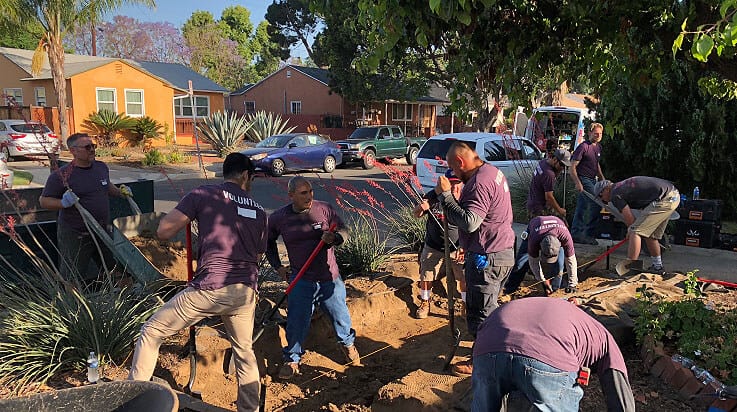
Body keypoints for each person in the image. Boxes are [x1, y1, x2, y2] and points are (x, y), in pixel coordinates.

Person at [127, 153, 266, 412]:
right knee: (244, 351)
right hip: (245, 291)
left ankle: (136, 401)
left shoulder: (204, 194)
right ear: (246, 176)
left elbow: (164, 230)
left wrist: (193, 218)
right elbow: (257, 254)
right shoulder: (259, 210)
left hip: (211, 287)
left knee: (152, 332)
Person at [266, 176, 360, 380]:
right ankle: (292, 359)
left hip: (329, 278)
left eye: (310, 192)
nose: (309, 197)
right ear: (291, 195)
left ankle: (348, 345)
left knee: (340, 316)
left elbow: (343, 230)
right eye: (303, 193)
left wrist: (335, 238)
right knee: (296, 321)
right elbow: (268, 242)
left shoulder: (324, 209)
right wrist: (278, 268)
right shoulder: (279, 218)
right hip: (301, 279)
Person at [435, 141, 515, 376]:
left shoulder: (480, 183)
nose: (454, 174)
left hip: (487, 258)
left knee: (481, 314)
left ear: (460, 162)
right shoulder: (491, 171)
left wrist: (446, 197)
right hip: (500, 252)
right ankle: (492, 352)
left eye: (453, 168)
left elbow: (470, 222)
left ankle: (481, 362)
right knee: (490, 308)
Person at [471, 297, 635, 412]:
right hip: (547, 353)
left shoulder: (548, 307)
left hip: (487, 347)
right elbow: (618, 388)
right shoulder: (603, 336)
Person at [39, 132, 132, 281]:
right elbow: (44, 201)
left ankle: (128, 301)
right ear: (73, 151)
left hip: (103, 230)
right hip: (76, 234)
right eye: (87, 147)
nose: (92, 150)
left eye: (93, 146)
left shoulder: (101, 167)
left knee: (117, 269)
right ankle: (73, 303)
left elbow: (105, 186)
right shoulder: (61, 176)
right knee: (72, 275)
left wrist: (120, 192)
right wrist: (62, 203)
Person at [594, 176, 680, 274]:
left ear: (606, 189)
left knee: (635, 232)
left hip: (664, 198)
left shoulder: (615, 194)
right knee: (650, 235)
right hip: (673, 196)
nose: (603, 199)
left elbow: (630, 219)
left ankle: (629, 269)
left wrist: (631, 231)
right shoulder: (620, 187)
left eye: (600, 196)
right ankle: (658, 267)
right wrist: (632, 228)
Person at [412, 169, 466, 319]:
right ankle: (425, 301)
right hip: (433, 245)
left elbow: (472, 226)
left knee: (463, 277)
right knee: (426, 275)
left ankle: (465, 303)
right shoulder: (433, 196)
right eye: (452, 184)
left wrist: (464, 247)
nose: (455, 188)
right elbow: (416, 213)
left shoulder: (466, 199)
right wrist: (421, 208)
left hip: (457, 246)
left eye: (458, 184)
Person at [504, 215, 578, 295]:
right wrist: (543, 281)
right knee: (520, 264)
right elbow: (534, 263)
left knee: (559, 265)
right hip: (535, 229)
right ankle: (510, 290)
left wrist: (572, 284)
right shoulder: (534, 240)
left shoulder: (565, 237)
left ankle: (554, 291)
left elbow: (571, 260)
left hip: (556, 232)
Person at [570, 122, 606, 245]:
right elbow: (572, 167)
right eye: (596, 133)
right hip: (583, 178)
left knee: (582, 205)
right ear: (590, 133)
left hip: (593, 179)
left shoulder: (598, 147)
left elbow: (596, 164)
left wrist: (602, 178)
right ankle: (586, 233)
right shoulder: (583, 147)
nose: (598, 135)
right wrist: (577, 182)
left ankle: (577, 233)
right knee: (596, 203)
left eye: (600, 134)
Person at [526, 148, 571, 218]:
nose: (563, 168)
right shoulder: (549, 174)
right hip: (539, 208)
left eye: (565, 166)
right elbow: (549, 197)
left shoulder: (543, 162)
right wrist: (560, 210)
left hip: (533, 203)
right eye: (562, 165)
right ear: (555, 159)